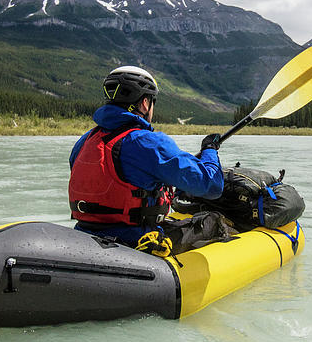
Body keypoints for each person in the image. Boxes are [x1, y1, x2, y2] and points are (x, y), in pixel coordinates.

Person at [68, 65, 224, 247]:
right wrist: (210, 149)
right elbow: (212, 185)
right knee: (213, 222)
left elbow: (118, 180)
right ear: (144, 102)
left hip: (84, 238)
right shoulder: (148, 142)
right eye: (152, 101)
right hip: (135, 242)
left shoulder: (85, 140)